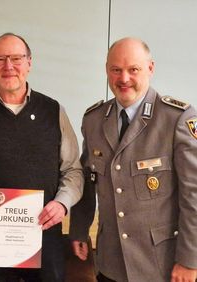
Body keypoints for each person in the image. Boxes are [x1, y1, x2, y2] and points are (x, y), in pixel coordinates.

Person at [0, 32, 84, 282]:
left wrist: (62, 203)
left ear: (29, 63)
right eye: (0, 59)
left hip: (45, 240)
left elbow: (73, 170)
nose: (8, 66)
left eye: (16, 58)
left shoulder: (54, 111)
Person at [69, 37, 197, 282]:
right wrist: (78, 229)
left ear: (150, 68)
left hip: (162, 265)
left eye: (133, 69)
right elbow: (87, 179)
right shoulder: (94, 120)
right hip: (111, 262)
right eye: (116, 70)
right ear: (107, 71)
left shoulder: (176, 119)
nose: (123, 78)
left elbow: (194, 195)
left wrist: (190, 260)